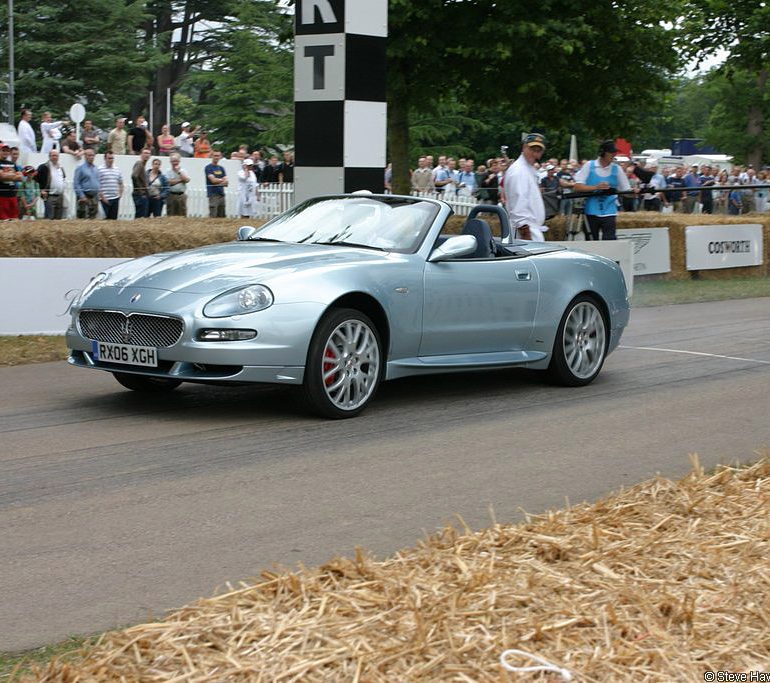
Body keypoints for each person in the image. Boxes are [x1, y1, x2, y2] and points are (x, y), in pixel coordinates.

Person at [572, 140, 631, 240]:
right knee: (591, 241)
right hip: (591, 211)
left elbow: (626, 190)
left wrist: (635, 192)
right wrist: (596, 187)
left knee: (610, 240)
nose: (614, 154)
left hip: (610, 211)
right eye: (611, 152)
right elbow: (577, 187)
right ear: (603, 153)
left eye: (614, 152)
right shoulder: (589, 166)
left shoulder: (617, 169)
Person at [503, 132, 549, 241]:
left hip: (531, 229)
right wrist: (526, 236)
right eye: (532, 149)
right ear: (524, 147)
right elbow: (518, 207)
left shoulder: (528, 168)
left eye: (538, 150)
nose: (535, 153)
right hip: (525, 232)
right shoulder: (519, 171)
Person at [36, 148, 66, 219]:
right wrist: (42, 190)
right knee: (49, 218)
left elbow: (63, 178)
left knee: (58, 218)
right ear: (49, 156)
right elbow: (36, 178)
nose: (55, 157)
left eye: (56, 156)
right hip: (49, 196)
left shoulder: (60, 167)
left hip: (60, 196)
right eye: (53, 155)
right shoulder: (44, 167)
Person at [73, 148, 101, 219]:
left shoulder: (96, 168)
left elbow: (98, 181)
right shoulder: (80, 168)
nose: (91, 157)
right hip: (85, 196)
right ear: (85, 156)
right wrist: (82, 196)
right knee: (83, 218)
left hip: (94, 197)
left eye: (93, 155)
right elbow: (76, 183)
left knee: (93, 218)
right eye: (89, 155)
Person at [98, 151, 124, 220]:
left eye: (112, 158)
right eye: (109, 158)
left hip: (115, 199)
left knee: (113, 220)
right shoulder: (100, 169)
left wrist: (120, 195)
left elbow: (121, 183)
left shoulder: (117, 169)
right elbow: (98, 185)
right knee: (105, 219)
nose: (111, 160)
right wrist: (103, 198)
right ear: (105, 159)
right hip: (104, 199)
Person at [0, 143, 23, 220]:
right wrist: (13, 175)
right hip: (2, 196)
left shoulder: (12, 164)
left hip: (12, 195)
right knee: (3, 220)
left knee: (14, 219)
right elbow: (1, 176)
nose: (5, 152)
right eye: (3, 150)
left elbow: (20, 177)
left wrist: (7, 175)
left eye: (7, 151)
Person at [205, 149, 228, 217]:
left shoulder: (221, 168)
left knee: (222, 215)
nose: (216, 157)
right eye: (215, 155)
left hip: (221, 194)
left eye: (218, 156)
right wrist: (221, 180)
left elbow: (226, 183)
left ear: (220, 157)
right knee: (213, 215)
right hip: (213, 194)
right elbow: (213, 181)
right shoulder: (208, 167)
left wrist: (218, 181)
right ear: (212, 156)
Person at [131, 148, 151, 218]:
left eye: (148, 153)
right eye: (145, 153)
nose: (146, 155)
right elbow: (134, 176)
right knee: (141, 217)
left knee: (142, 216)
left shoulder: (143, 165)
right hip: (140, 195)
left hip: (142, 195)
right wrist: (140, 190)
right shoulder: (139, 163)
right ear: (141, 154)